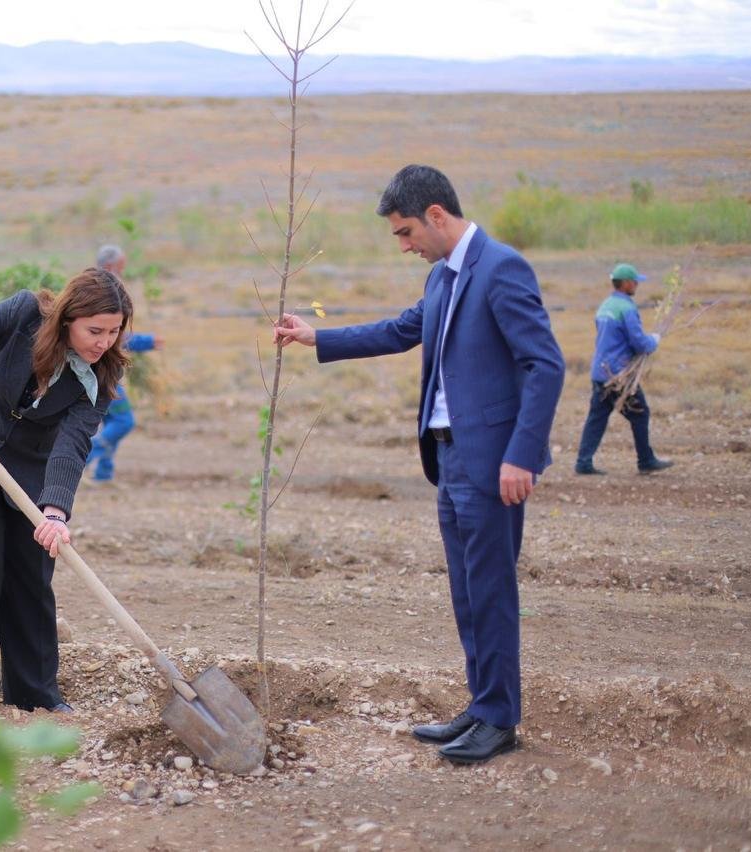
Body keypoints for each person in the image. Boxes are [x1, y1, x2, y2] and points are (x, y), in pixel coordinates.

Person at [275, 165, 565, 764]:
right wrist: (317, 338)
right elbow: (402, 330)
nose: (405, 247)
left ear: (437, 215)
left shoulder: (502, 267)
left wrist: (522, 454)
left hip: (493, 463)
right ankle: (482, 707)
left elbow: (545, 365)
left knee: (490, 589)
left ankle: (500, 721)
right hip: (449, 455)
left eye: (406, 233)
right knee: (466, 591)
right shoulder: (442, 279)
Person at [0, 267, 132, 714]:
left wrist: (55, 511)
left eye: (114, 332)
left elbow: (73, 445)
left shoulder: (102, 377)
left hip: (31, 471)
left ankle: (35, 691)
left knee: (32, 578)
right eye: (95, 330)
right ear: (68, 318)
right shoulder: (22, 313)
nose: (104, 342)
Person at [574, 263, 673, 476]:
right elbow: (639, 343)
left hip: (600, 371)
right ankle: (645, 460)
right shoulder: (627, 308)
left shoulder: (605, 306)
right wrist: (654, 341)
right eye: (635, 281)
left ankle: (583, 462)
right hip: (619, 375)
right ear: (627, 283)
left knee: (597, 417)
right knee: (640, 413)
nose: (637, 285)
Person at [85, 244, 162, 482]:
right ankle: (83, 460)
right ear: (110, 267)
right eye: (121, 268)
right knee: (123, 421)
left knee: (110, 422)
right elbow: (113, 339)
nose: (123, 273)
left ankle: (103, 475)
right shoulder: (103, 295)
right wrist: (146, 341)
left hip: (100, 372)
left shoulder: (92, 290)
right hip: (100, 373)